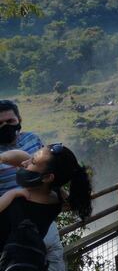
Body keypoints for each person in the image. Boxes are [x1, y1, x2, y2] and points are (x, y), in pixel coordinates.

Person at [0, 100, 65, 270]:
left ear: (19, 120)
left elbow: (51, 170)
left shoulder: (33, 139)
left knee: (55, 261)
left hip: (46, 222)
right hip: (12, 230)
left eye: (10, 121)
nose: (5, 126)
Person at [0, 144, 92, 251]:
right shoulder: (56, 196)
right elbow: (26, 158)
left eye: (32, 161)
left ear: (48, 177)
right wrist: (3, 158)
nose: (24, 163)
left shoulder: (19, 204)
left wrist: (11, 194)